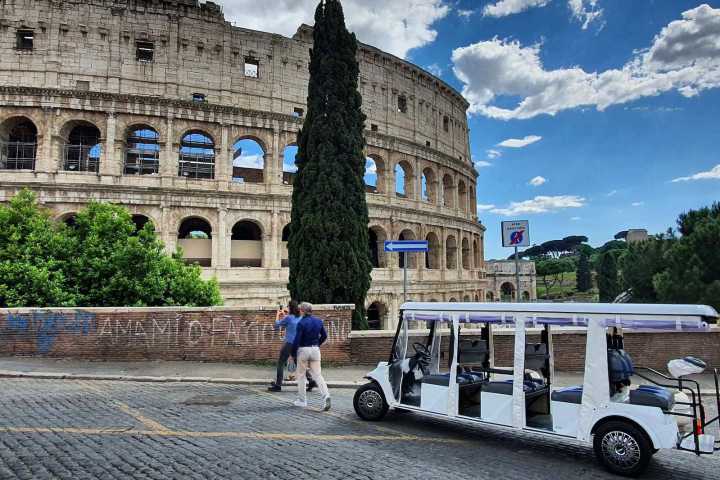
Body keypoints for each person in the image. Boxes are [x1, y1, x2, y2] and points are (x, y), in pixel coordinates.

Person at [269, 300, 316, 392]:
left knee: (281, 363)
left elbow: (277, 325)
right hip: (298, 344)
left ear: (290, 307)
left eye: (288, 307)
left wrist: (278, 314)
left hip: (289, 344)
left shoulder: (289, 318)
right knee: (300, 363)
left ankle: (278, 385)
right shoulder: (300, 317)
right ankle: (311, 380)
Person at [292, 302, 331, 411]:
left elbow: (296, 341)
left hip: (303, 349)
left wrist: (293, 354)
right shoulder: (318, 321)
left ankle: (302, 400)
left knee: (301, 376)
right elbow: (325, 335)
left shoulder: (301, 323)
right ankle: (326, 395)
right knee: (318, 375)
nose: (299, 311)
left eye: (300, 310)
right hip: (315, 349)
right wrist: (318, 344)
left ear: (303, 311)